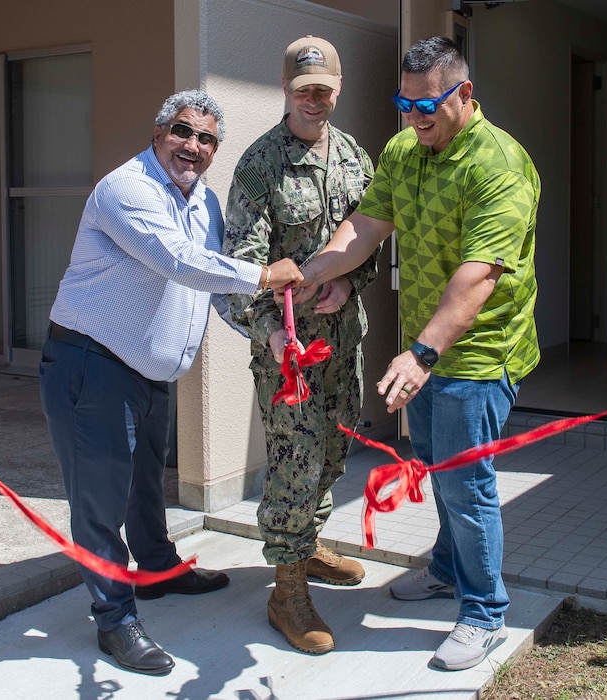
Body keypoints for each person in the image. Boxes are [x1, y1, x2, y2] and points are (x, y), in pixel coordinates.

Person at [295, 36, 541, 671]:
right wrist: (312, 273)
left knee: (468, 484)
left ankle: (484, 612)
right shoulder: (405, 150)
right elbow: (365, 227)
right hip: (426, 350)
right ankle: (444, 569)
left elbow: (479, 276)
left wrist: (422, 353)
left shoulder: (498, 164)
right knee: (436, 465)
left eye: (427, 103)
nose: (414, 116)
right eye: (405, 103)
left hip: (478, 353)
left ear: (462, 93)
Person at [39, 89, 302, 676]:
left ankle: (156, 570)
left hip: (147, 370)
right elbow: (178, 261)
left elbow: (215, 288)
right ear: (158, 133)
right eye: (183, 132)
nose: (194, 146)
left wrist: (274, 339)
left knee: (144, 485)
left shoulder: (203, 202)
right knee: (100, 500)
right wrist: (264, 272)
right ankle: (113, 619)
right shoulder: (126, 190)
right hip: (93, 363)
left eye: (207, 139)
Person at [221, 35, 379, 655]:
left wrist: (349, 279)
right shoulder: (261, 166)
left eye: (324, 89)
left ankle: (308, 548)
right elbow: (239, 271)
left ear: (338, 90)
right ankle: (285, 591)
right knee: (295, 463)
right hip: (289, 355)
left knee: (335, 449)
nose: (314, 99)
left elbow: (370, 238)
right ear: (286, 91)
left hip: (344, 341)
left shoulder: (356, 158)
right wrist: (274, 334)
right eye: (302, 89)